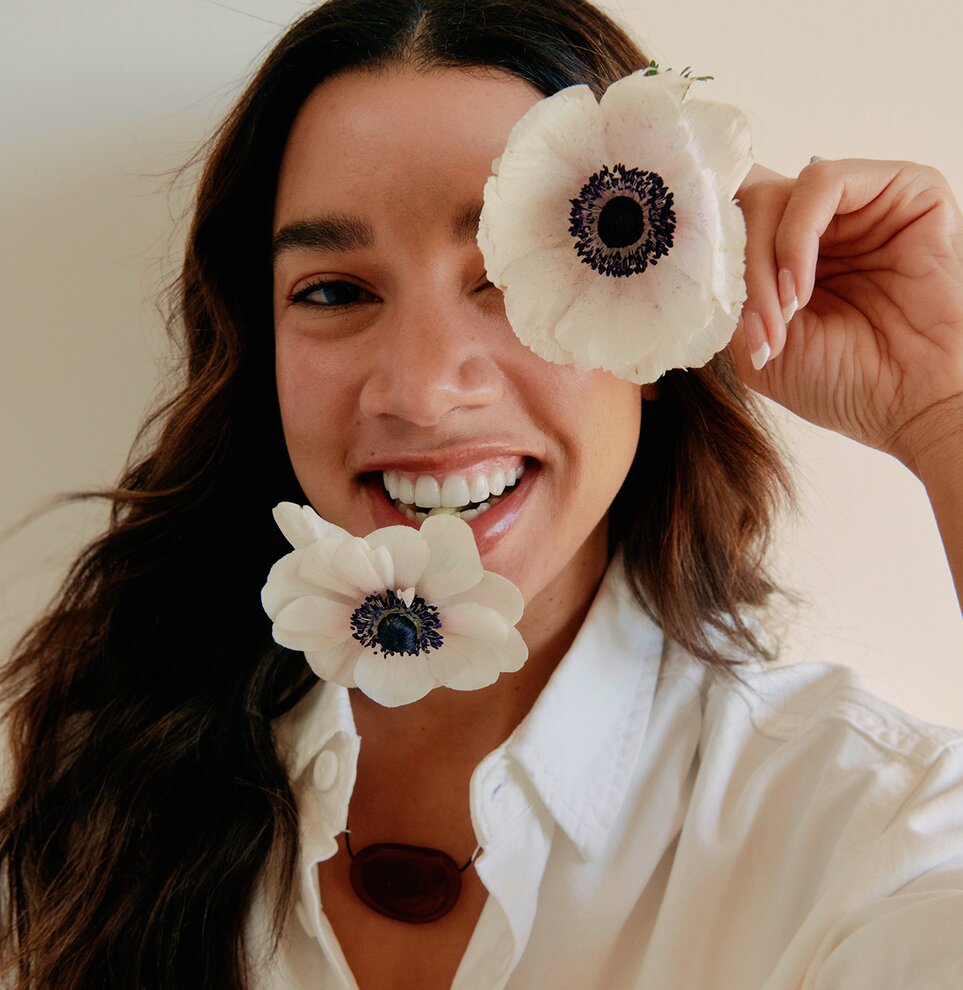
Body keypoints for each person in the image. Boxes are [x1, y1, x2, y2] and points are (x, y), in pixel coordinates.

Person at [2, 0, 962, 987]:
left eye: (510, 274)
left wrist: (943, 406)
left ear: (668, 322)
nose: (420, 391)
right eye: (335, 291)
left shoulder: (863, 830)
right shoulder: (97, 771)